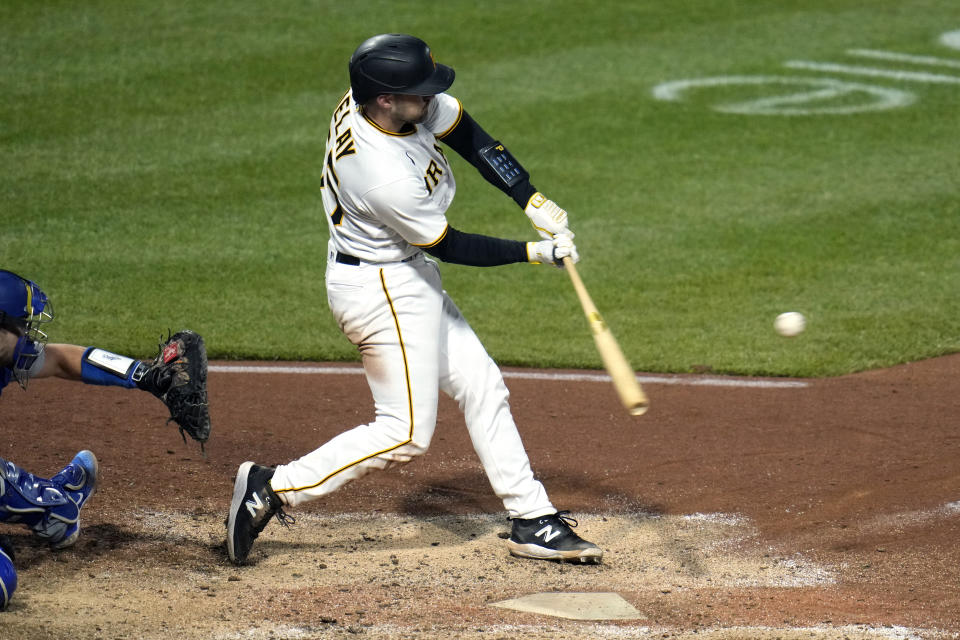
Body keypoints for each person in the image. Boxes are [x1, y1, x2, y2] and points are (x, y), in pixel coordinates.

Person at [227, 33, 602, 565]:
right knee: (403, 433)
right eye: (419, 92)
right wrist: (534, 253)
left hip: (404, 273)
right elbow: (449, 244)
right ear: (384, 98)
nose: (429, 100)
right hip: (378, 290)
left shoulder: (389, 103)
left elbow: (469, 135)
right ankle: (272, 488)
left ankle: (531, 518)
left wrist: (529, 197)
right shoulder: (381, 174)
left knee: (482, 384)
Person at [0, 268, 210, 609]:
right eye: (22, 326)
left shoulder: (5, 354)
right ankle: (54, 508)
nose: (29, 335)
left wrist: (144, 376)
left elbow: (63, 360)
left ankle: (54, 512)